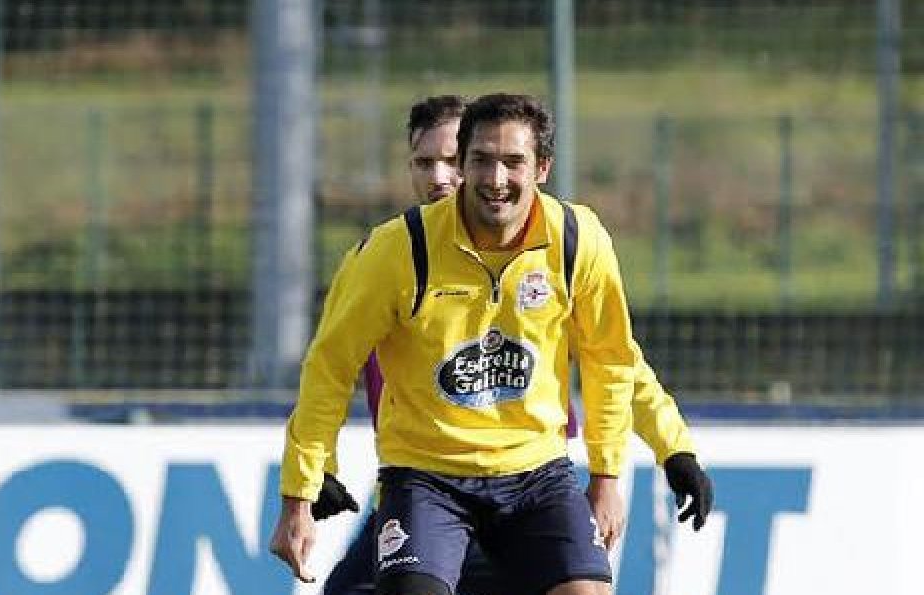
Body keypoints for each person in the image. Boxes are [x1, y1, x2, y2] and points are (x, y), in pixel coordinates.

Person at [270, 92, 681, 595]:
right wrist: (306, 482)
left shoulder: (575, 241)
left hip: (535, 477)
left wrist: (650, 458)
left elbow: (616, 360)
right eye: (434, 162)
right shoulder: (388, 253)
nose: (493, 178)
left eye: (512, 162)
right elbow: (329, 368)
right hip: (428, 481)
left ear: (542, 167)